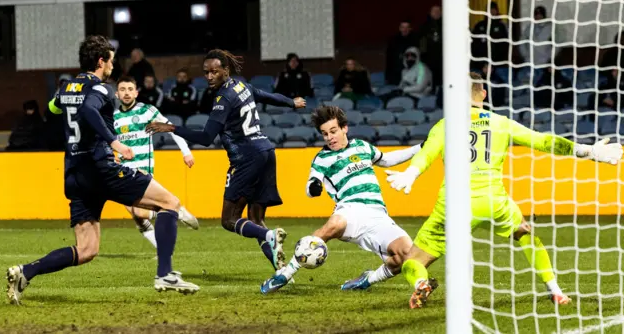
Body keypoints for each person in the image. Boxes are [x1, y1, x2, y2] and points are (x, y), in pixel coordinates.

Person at [385, 72, 624, 309]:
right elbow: (543, 141)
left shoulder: (445, 125)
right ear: (484, 93)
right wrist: (587, 151)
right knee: (526, 234)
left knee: (411, 261)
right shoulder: (500, 122)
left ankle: (421, 283)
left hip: (453, 205)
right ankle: (556, 292)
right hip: (493, 201)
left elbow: (426, 154)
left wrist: (411, 173)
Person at [6, 36, 198, 305]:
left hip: (75, 174)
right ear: (100, 62)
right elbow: (89, 110)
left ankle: (25, 272)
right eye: (110, 59)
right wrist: (115, 141)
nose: (112, 65)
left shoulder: (65, 89)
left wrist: (66, 100)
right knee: (170, 203)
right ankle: (165, 274)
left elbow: (53, 108)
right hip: (102, 169)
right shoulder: (102, 90)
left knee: (86, 250)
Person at [146, 49, 307, 272]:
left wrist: (170, 127)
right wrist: (291, 102)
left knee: (229, 220)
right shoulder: (241, 85)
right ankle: (282, 271)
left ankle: (270, 235)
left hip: (246, 158)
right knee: (255, 218)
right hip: (267, 152)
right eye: (206, 72)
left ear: (225, 70)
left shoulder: (224, 98)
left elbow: (205, 137)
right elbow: (264, 95)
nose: (210, 76)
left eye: (214, 71)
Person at [259, 105, 427, 294]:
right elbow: (310, 186)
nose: (329, 137)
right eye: (324, 134)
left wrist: (420, 148)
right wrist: (314, 187)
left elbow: (387, 159)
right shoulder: (322, 158)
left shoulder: (362, 146)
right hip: (349, 211)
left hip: (378, 215)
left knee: (406, 255)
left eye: (333, 131)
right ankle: (285, 274)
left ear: (344, 128)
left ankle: (368, 279)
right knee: (335, 224)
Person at [114, 75, 199, 249]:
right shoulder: (113, 117)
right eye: (122, 89)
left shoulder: (147, 111)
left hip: (142, 168)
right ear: (117, 94)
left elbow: (171, 129)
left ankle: (174, 209)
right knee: (137, 216)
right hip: (122, 171)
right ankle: (166, 234)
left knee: (138, 212)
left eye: (130, 89)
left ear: (136, 93)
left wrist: (186, 152)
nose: (127, 93)